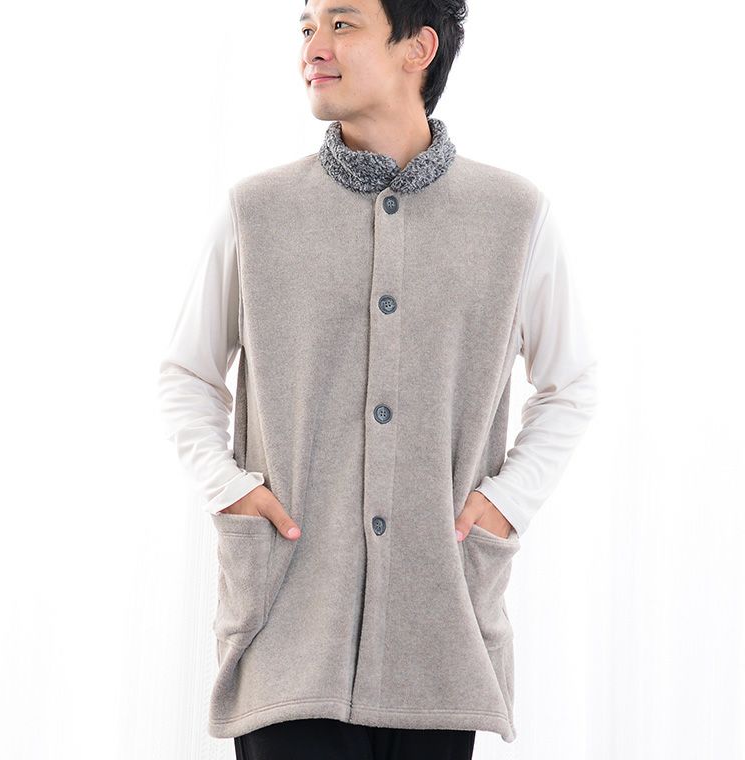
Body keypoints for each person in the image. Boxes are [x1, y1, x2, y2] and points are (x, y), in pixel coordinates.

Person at [157, 0, 598, 758]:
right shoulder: (256, 212)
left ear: (417, 47)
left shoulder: (514, 216)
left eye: (342, 24)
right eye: (306, 27)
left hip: (441, 631)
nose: (312, 47)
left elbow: (572, 387)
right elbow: (187, 374)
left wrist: (504, 505)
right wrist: (230, 488)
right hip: (287, 629)